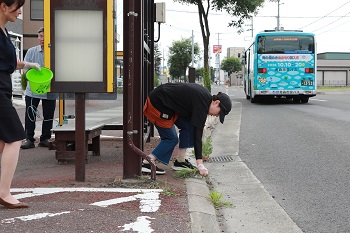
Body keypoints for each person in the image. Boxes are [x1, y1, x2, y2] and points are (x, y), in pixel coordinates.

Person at [0, 0, 41, 209]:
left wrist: (28, 65)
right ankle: (4, 192)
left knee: (2, 142)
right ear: (3, 6)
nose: (20, 10)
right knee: (16, 137)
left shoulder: (4, 32)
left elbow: (7, 61)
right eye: (17, 6)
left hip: (4, 91)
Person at [142, 83, 232, 176]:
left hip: (168, 105)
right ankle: (147, 162)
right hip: (157, 103)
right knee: (171, 139)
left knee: (189, 127)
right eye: (219, 113)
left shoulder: (205, 98)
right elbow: (198, 135)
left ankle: (180, 161)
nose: (216, 116)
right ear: (216, 102)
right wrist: (200, 164)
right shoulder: (202, 104)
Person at [20, 27, 57, 149]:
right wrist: (25, 79)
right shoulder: (31, 51)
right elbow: (25, 68)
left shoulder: (54, 52)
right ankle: (29, 139)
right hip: (32, 89)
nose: (42, 39)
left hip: (50, 89)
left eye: (45, 36)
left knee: (48, 115)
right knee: (30, 114)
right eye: (40, 36)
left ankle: (45, 138)